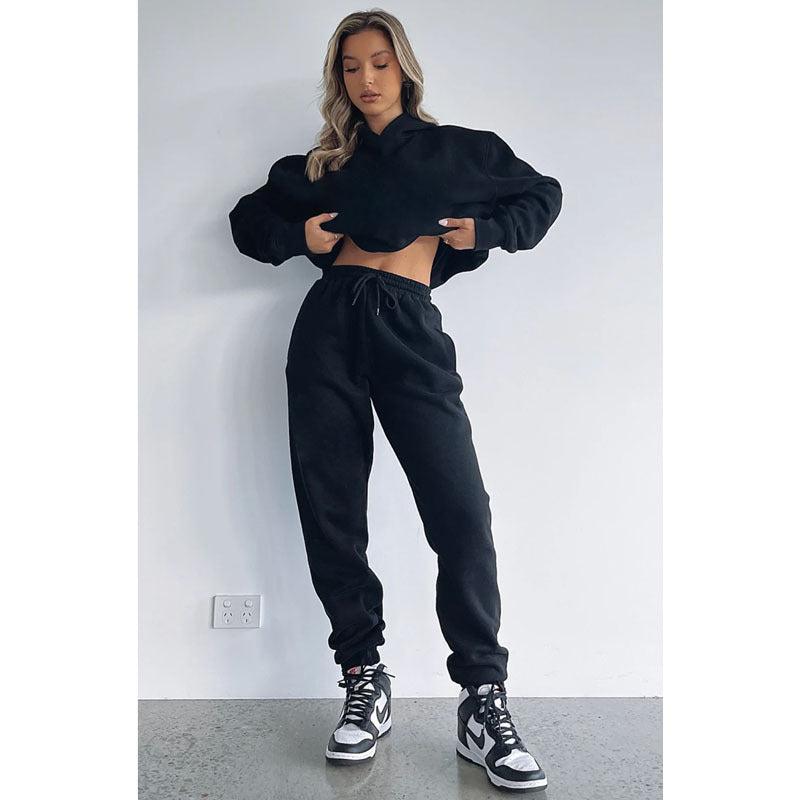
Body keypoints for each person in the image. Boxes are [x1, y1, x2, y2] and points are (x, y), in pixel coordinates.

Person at [228, 9, 562, 792]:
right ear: (338, 79)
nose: (366, 79)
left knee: (461, 511)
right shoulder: (324, 166)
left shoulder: (460, 152)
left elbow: (542, 195)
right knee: (332, 509)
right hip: (328, 328)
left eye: (378, 62)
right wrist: (300, 239)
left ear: (403, 67)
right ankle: (363, 677)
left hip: (409, 326)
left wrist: (486, 233)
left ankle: (482, 698)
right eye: (350, 67)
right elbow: (249, 220)